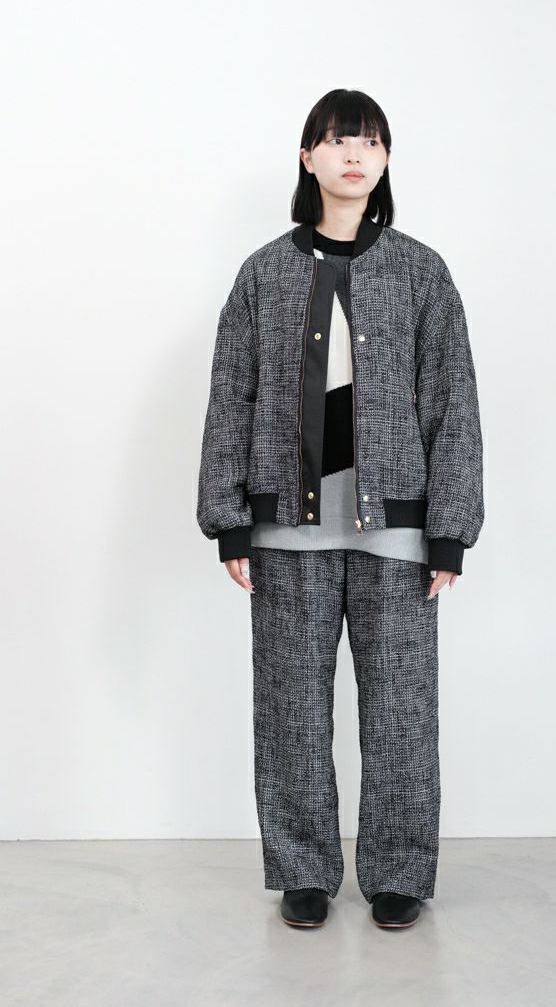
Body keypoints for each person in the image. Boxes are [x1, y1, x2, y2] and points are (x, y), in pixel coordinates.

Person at [197, 88, 485, 930]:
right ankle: (304, 871)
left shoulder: (422, 272)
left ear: (386, 159)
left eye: (368, 142)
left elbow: (454, 402)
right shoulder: (263, 274)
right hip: (286, 532)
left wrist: (450, 530)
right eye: (335, 140)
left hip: (397, 531)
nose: (353, 155)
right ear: (308, 157)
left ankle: (398, 874)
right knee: (291, 710)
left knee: (401, 712)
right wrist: (228, 517)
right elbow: (231, 396)